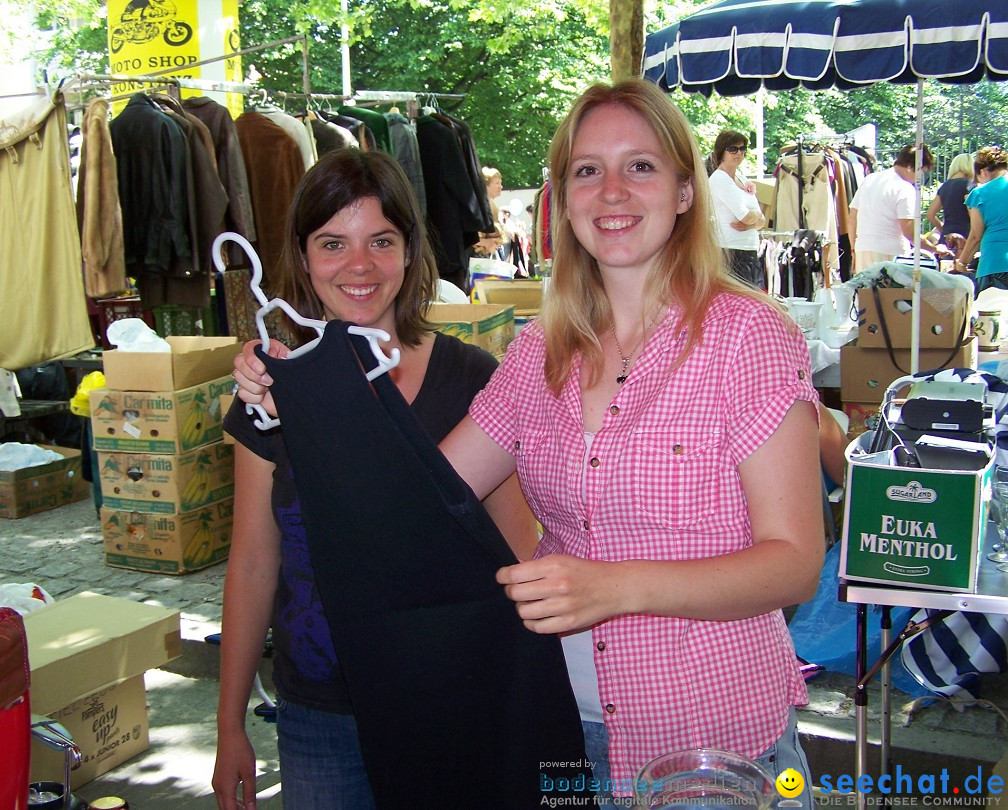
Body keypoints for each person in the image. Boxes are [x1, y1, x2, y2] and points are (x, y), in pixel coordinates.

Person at [237, 80, 824, 807]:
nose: (611, 190)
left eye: (639, 166)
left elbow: (796, 563)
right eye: (587, 170)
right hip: (557, 729)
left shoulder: (750, 338)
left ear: (682, 191)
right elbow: (419, 501)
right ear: (563, 196)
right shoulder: (542, 350)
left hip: (703, 739)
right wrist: (301, 400)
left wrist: (615, 586)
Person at [212, 149, 540, 810]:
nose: (358, 266)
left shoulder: (472, 380)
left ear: (411, 251)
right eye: (333, 243)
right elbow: (252, 561)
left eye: (380, 242)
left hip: (453, 702)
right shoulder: (275, 389)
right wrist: (228, 726)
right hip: (320, 713)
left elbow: (519, 552)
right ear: (302, 259)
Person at [848, 144, 940, 273]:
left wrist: (853, 250)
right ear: (910, 167)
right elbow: (910, 232)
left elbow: (852, 219)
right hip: (890, 254)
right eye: (921, 172)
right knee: (890, 293)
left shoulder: (870, 179)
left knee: (866, 292)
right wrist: (934, 249)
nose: (920, 178)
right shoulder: (904, 188)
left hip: (863, 250)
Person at [708, 130, 766, 288]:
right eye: (732, 149)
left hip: (748, 250)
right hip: (730, 251)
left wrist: (751, 222)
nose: (738, 153)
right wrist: (753, 218)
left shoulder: (742, 178)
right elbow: (746, 216)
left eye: (742, 149)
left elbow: (761, 221)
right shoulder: (720, 179)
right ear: (722, 151)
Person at [954, 146, 1008, 292]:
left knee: (993, 311)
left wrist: (962, 262)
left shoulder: (979, 193)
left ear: (982, 171)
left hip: (995, 263)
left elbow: (976, 235)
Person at [927, 152, 975, 247]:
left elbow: (930, 214)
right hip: (965, 238)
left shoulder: (944, 186)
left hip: (946, 238)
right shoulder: (968, 185)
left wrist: (943, 229)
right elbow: (973, 215)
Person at [474, 165, 507, 258]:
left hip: (487, 254)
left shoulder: (490, 205)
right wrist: (486, 243)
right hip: (478, 256)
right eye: (497, 183)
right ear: (486, 185)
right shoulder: (479, 206)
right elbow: (470, 235)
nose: (501, 186)